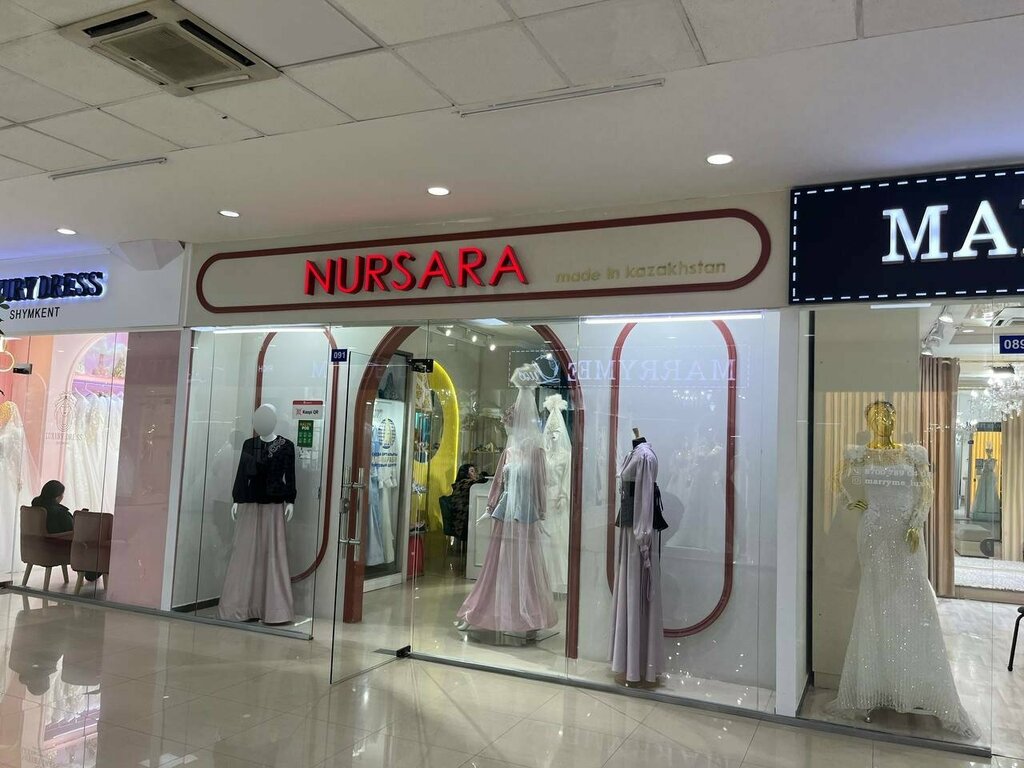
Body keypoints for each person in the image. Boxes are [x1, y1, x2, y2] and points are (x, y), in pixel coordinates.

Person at [449, 463, 486, 542]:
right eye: (472, 471)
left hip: (460, 520)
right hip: (461, 523)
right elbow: (481, 481)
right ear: (465, 474)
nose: (474, 473)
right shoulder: (465, 483)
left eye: (474, 471)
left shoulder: (460, 483)